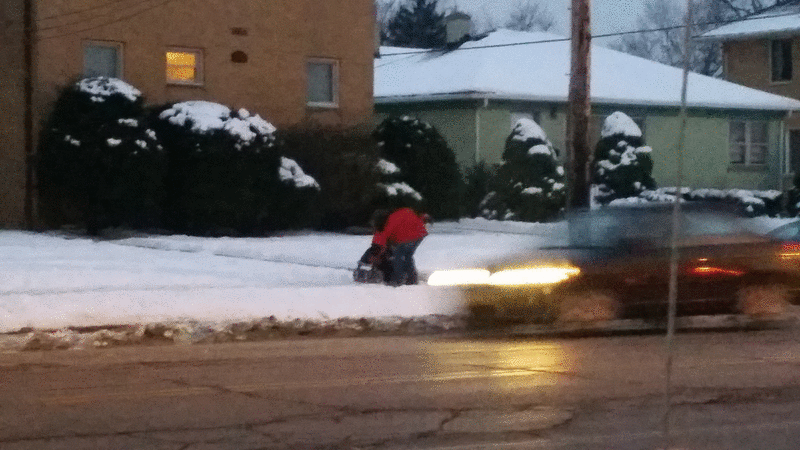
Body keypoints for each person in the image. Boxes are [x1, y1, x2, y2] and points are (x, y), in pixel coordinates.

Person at [372, 207, 429, 286]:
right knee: (407, 256)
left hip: (409, 237)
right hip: (419, 235)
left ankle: (398, 279)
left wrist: (378, 252)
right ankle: (412, 279)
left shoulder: (391, 219)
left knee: (398, 257)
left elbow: (385, 235)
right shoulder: (402, 212)